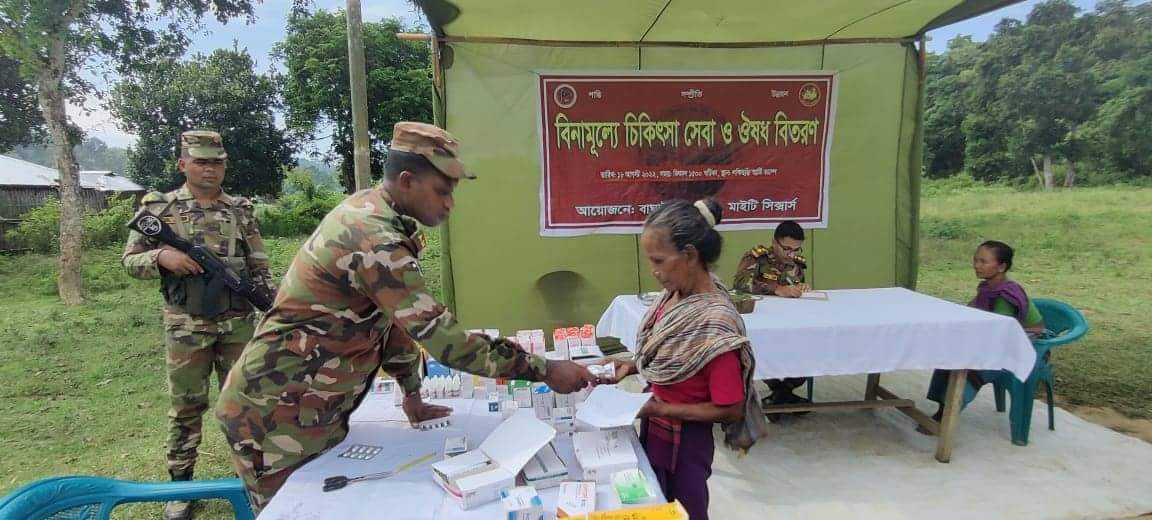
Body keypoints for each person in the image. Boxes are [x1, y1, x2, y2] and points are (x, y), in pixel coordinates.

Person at [214, 122, 597, 514]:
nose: (449, 204)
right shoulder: (373, 237)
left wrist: (411, 392)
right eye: (442, 191)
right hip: (274, 415)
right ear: (407, 180)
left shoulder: (380, 218)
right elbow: (444, 341)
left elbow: (391, 321)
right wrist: (544, 369)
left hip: (310, 407)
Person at [122, 130, 276, 520]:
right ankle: (181, 489)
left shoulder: (240, 209)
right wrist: (161, 257)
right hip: (186, 326)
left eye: (217, 162)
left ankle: (257, 480)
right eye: (201, 162)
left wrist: (272, 304)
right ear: (183, 164)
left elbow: (258, 265)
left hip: (237, 325)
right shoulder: (160, 209)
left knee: (246, 404)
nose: (210, 169)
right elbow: (129, 261)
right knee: (186, 408)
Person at [599, 199, 765, 520]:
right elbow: (673, 353)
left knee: (685, 512)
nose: (654, 271)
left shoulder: (714, 325)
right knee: (657, 507)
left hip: (686, 444)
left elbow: (730, 408)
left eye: (659, 260)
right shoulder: (673, 298)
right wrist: (633, 365)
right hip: (655, 425)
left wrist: (661, 408)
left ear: (690, 255)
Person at [922, 240, 1047, 429]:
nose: (976, 265)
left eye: (983, 261)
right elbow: (971, 310)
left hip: (1023, 341)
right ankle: (943, 405)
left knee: (969, 363)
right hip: (998, 334)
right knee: (948, 356)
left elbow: (998, 331)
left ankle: (948, 414)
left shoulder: (1005, 295)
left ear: (1001, 266)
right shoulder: (987, 288)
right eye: (975, 260)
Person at [732, 220, 810, 411]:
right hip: (764, 322)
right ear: (775, 242)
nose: (791, 254)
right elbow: (740, 285)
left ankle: (781, 395)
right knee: (765, 351)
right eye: (786, 248)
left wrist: (801, 288)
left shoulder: (797, 264)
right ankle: (782, 395)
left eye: (796, 250)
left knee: (807, 348)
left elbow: (795, 285)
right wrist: (776, 289)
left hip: (792, 322)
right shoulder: (757, 258)